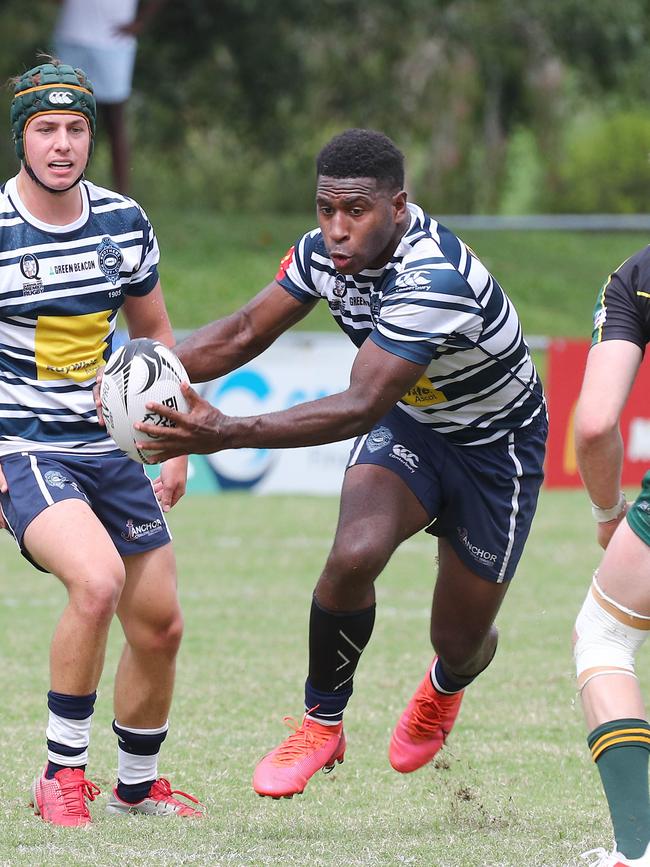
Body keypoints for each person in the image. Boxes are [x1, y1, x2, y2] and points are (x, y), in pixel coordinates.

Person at [135, 128, 548, 799]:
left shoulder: (433, 275)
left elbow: (359, 404)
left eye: (356, 210)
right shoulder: (321, 254)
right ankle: (321, 722)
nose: (336, 228)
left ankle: (446, 684)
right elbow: (243, 331)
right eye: (326, 209)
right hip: (412, 422)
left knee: (460, 639)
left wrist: (227, 430)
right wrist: (142, 369)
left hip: (495, 449)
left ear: (399, 206)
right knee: (353, 552)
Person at [0, 58, 203, 825]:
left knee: (161, 621)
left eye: (76, 128)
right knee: (96, 582)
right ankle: (59, 774)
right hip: (25, 450)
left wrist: (175, 438)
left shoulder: (123, 221)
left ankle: (137, 785)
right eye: (46, 129)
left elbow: (154, 334)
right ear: (22, 138)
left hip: (111, 452)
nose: (62, 144)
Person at [573, 252, 650, 866]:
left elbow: (596, 425)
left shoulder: (638, 275)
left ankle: (639, 850)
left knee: (604, 638)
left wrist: (607, 512)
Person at [52, 0, 167, 194]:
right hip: (71, 36)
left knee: (114, 120)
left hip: (113, 40)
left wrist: (140, 23)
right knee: (63, 116)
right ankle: (65, 189)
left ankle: (122, 196)